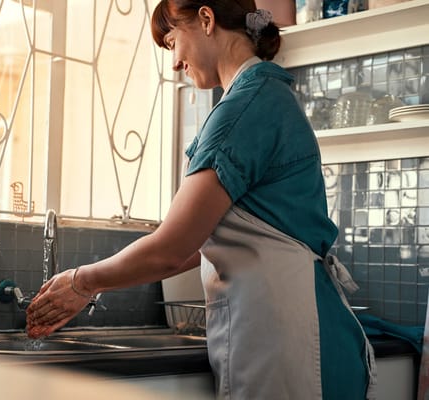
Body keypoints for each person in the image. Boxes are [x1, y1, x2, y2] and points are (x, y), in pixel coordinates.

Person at [26, 1, 376, 398]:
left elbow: (173, 248)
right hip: (303, 335)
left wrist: (81, 282)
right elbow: (201, 239)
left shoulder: (244, 109)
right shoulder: (260, 98)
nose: (174, 61)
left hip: (293, 346)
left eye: (173, 40)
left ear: (206, 20)